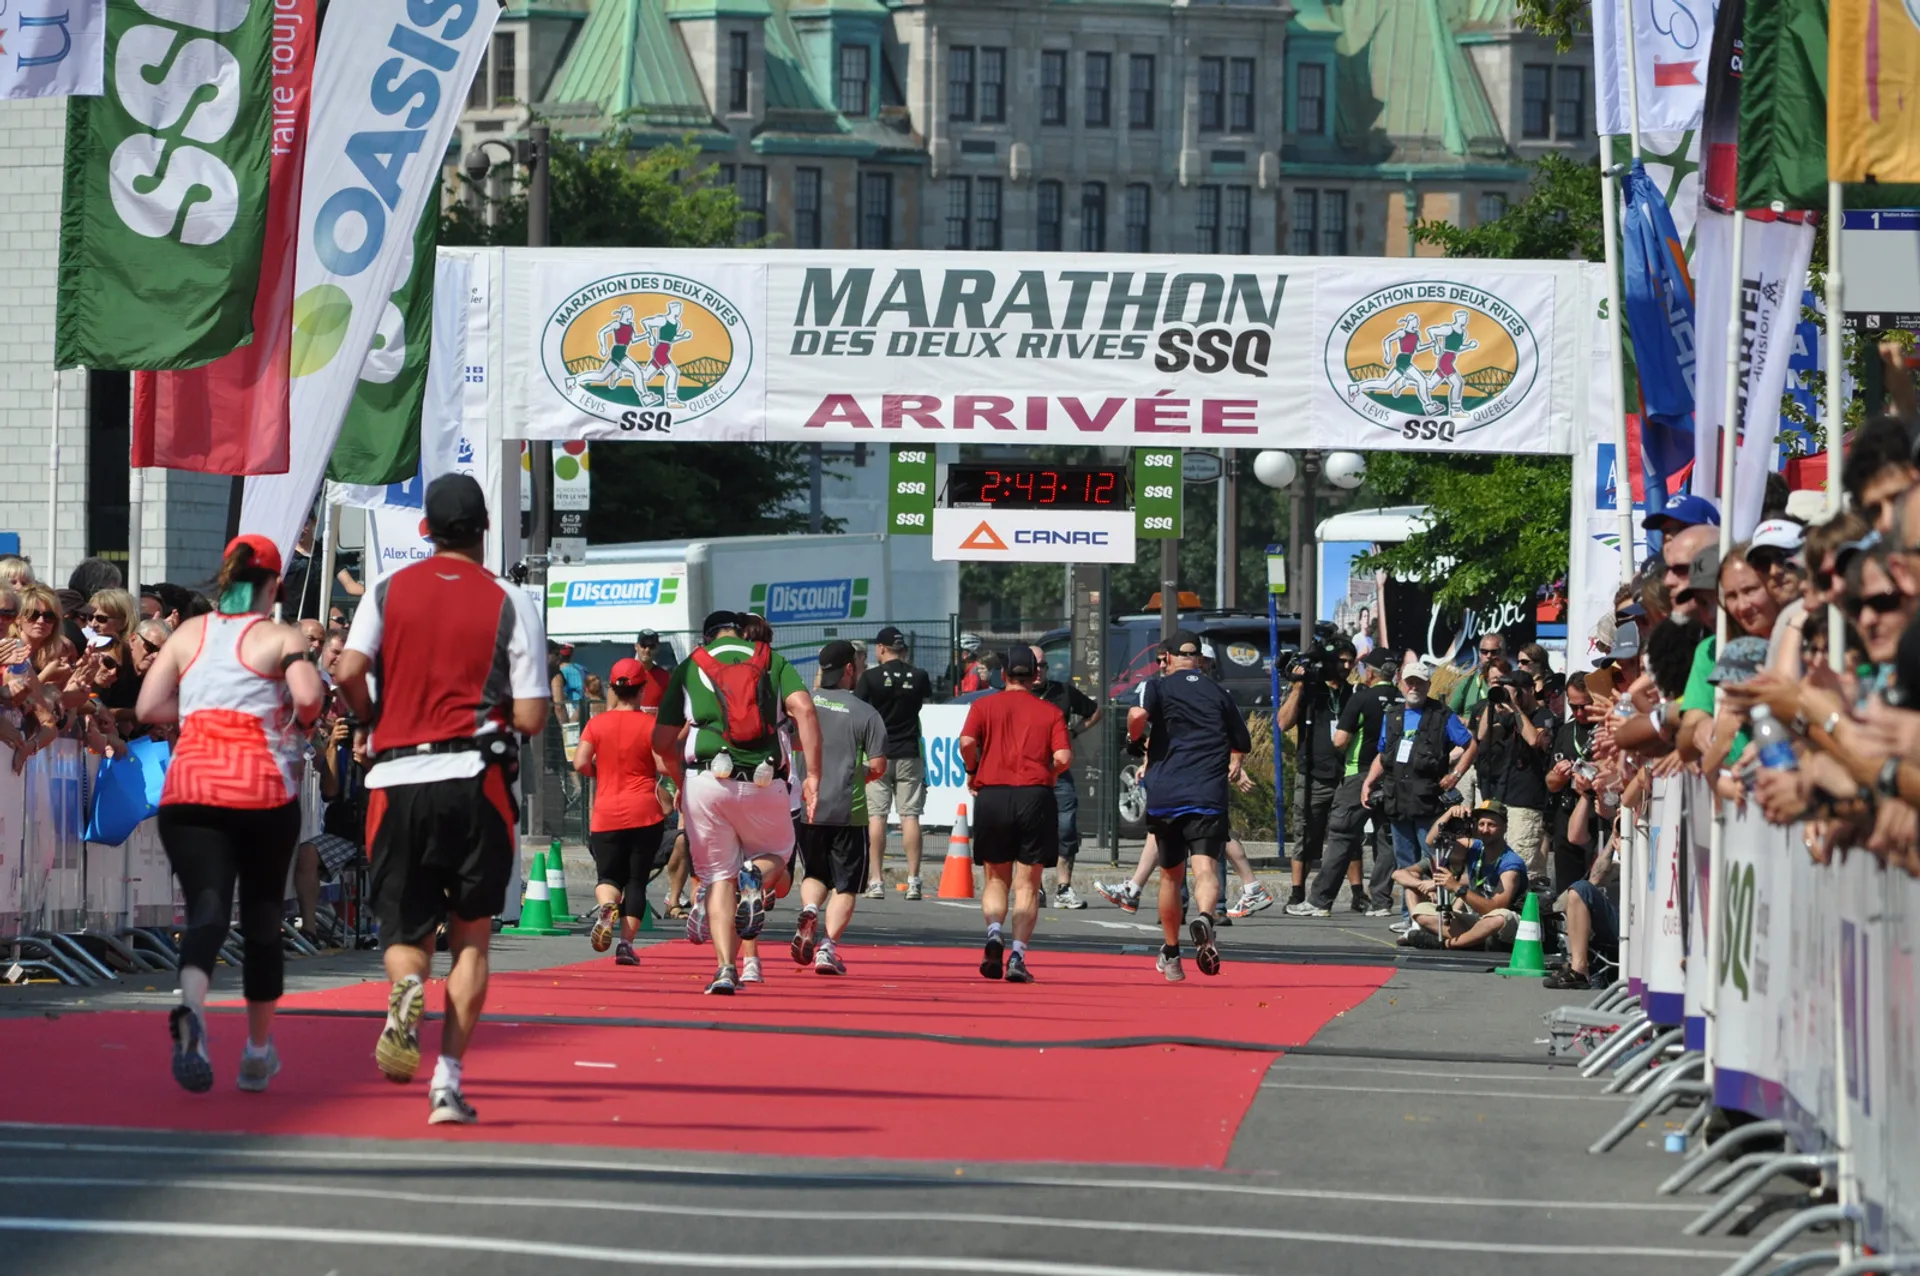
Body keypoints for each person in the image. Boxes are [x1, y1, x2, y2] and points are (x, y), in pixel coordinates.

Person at [334, 474, 549, 1126]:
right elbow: (534, 716)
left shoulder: (386, 590)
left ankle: (405, 989)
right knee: (472, 938)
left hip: (395, 779)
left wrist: (369, 722)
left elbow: (346, 671)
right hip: (475, 782)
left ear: (425, 530)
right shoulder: (510, 599)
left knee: (406, 932)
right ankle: (447, 1083)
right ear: (484, 530)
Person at [134, 534, 324, 1093]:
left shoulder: (189, 633)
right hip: (259, 792)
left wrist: (195, 713)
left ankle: (191, 1008)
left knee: (207, 911)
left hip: (189, 789)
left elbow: (147, 707)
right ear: (272, 586)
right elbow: (310, 697)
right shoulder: (278, 635)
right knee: (263, 922)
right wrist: (292, 713)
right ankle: (258, 1051)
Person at [653, 610, 821, 995]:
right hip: (763, 778)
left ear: (707, 635)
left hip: (706, 781)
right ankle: (755, 878)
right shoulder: (770, 659)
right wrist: (813, 775)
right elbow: (805, 711)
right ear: (740, 632)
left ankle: (726, 969)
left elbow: (661, 742)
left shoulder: (690, 665)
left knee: (716, 878)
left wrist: (680, 778)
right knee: (778, 852)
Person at [1127, 629, 1253, 981]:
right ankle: (1205, 917)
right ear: (1198, 657)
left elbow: (1137, 716)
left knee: (1170, 876)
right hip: (1207, 794)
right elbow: (1241, 740)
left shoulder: (1156, 686)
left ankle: (1171, 951)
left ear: (1166, 658)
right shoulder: (1219, 692)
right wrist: (1231, 759)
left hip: (1167, 795)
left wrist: (1134, 735)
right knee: (1206, 870)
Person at [959, 645, 1070, 984]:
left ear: (1003, 675)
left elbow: (966, 741)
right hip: (1035, 795)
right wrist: (1048, 775)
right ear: (1035, 676)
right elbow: (1064, 756)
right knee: (1028, 883)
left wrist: (973, 768)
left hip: (993, 793)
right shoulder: (1050, 712)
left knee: (995, 877)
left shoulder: (983, 705)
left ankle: (994, 931)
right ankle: (1018, 955)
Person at [791, 640, 888, 975]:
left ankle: (810, 909)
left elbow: (788, 743)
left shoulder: (802, 706)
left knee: (815, 873)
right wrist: (859, 773)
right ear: (850, 669)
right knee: (846, 885)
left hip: (808, 806)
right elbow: (878, 765)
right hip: (849, 810)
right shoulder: (866, 713)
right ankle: (827, 948)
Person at [1361, 656, 1477, 931]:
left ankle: (1436, 914)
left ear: (1427, 684)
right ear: (1401, 684)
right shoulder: (1393, 716)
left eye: (1419, 682)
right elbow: (1382, 753)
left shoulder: (1442, 715)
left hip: (1427, 799)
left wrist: (1456, 774)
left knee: (1433, 859)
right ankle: (1409, 916)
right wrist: (1368, 782)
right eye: (1409, 681)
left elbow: (1471, 744)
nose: (1414, 687)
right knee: (1404, 861)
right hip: (1397, 797)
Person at [1293, 646, 1401, 917]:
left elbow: (1339, 740)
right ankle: (1381, 902)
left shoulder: (1361, 698)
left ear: (1371, 673)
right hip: (1393, 776)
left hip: (1358, 774)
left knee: (1341, 837)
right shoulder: (1402, 699)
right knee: (1385, 839)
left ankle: (1319, 901)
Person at [576, 658, 669, 968]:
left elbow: (579, 762)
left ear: (612, 688)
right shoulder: (650, 725)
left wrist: (598, 772)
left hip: (606, 812)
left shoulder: (596, 723)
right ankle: (626, 945)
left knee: (608, 876)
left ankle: (606, 906)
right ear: (642, 690)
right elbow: (662, 765)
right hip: (645, 811)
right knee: (636, 881)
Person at [1275, 635, 1355, 909]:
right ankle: (1298, 891)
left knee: (1348, 836)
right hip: (1312, 775)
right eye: (1340, 661)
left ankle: (1358, 894)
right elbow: (1283, 723)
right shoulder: (1311, 690)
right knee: (1305, 834)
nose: (1344, 666)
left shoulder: (1352, 693)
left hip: (1345, 775)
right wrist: (1298, 687)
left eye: (1349, 661)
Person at [854, 625, 933, 899]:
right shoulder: (919, 675)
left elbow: (859, 710)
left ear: (881, 648)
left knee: (877, 816)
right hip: (910, 750)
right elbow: (922, 704)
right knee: (910, 815)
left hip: (878, 753)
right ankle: (914, 880)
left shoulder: (870, 678)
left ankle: (876, 881)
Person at [1397, 799, 1529, 951]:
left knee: (1497, 918)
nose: (1485, 830)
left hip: (1507, 924)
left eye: (1492, 825)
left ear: (1504, 828)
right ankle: (1474, 941)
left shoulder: (1510, 863)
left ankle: (1448, 944)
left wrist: (1457, 888)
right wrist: (1449, 813)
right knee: (1421, 911)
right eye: (1481, 824)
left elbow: (1495, 908)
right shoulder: (1475, 847)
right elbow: (1432, 842)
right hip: (1479, 921)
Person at [1030, 644, 1101, 910]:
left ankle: (1064, 888)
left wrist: (1074, 731)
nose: (1037, 672)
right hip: (1029, 774)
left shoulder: (1062, 692)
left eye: (1042, 666)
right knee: (1032, 831)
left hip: (1058, 772)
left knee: (1066, 828)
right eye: (1033, 666)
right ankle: (1034, 886)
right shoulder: (1018, 694)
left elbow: (1095, 711)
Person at [1446, 630, 1505, 723]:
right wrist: (1468, 723)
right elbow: (1449, 714)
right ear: (1479, 653)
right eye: (1484, 651)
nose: (1489, 656)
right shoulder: (1468, 682)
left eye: (1494, 652)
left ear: (1503, 653)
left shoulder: (1511, 683)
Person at [628, 629, 671, 709]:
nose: (647, 650)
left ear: (657, 648)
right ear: (636, 646)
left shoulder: (665, 677)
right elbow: (612, 708)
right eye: (643, 645)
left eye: (651, 646)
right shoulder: (625, 674)